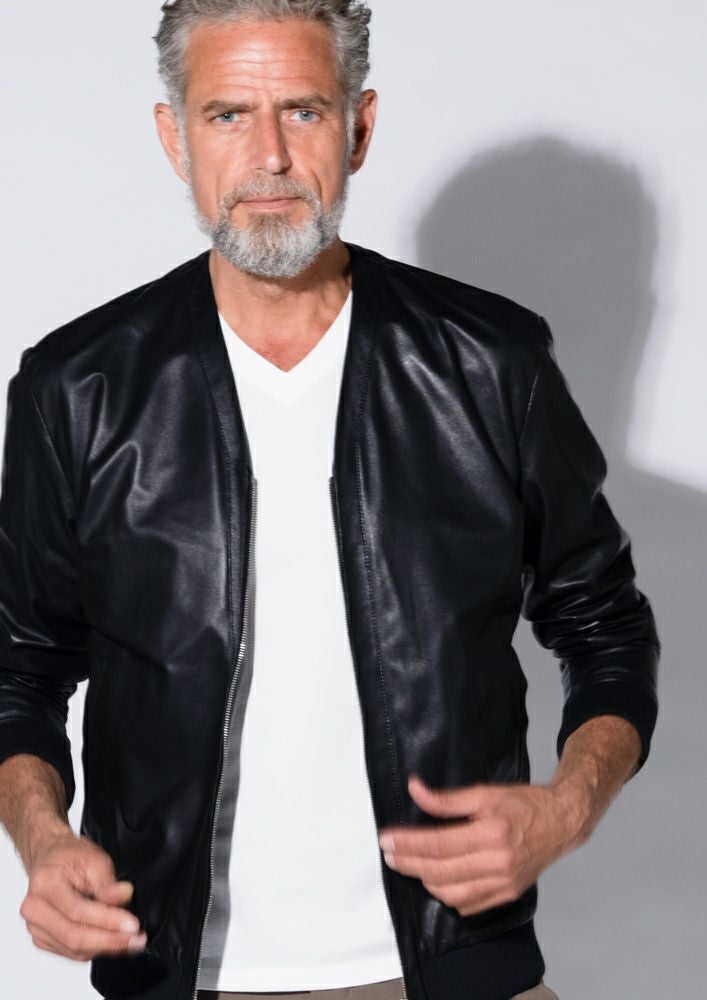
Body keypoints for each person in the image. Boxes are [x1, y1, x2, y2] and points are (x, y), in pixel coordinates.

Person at [0, 2, 659, 999]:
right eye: (227, 115)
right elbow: (21, 666)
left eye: (302, 111)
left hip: (453, 963)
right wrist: (44, 839)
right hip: (178, 969)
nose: (267, 155)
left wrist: (565, 808)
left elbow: (604, 622)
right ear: (174, 137)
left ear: (357, 128)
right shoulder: (79, 387)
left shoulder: (489, 363)